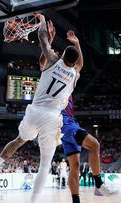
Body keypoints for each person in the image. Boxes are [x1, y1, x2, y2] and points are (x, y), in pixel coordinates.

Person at [0, 14, 80, 203]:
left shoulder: (52, 59)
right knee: (44, 165)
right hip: (51, 117)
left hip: (34, 111)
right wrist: (77, 44)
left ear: (62, 55)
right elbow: (79, 62)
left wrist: (42, 21)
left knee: (19, 140)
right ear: (74, 62)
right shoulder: (75, 75)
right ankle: (33, 201)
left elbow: (42, 38)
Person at [39, 20, 115, 203]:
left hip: (63, 123)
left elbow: (50, 59)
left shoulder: (61, 72)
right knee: (95, 145)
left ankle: (76, 201)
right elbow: (78, 64)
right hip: (63, 121)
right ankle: (98, 183)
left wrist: (50, 40)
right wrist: (76, 43)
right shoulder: (67, 73)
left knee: (75, 166)